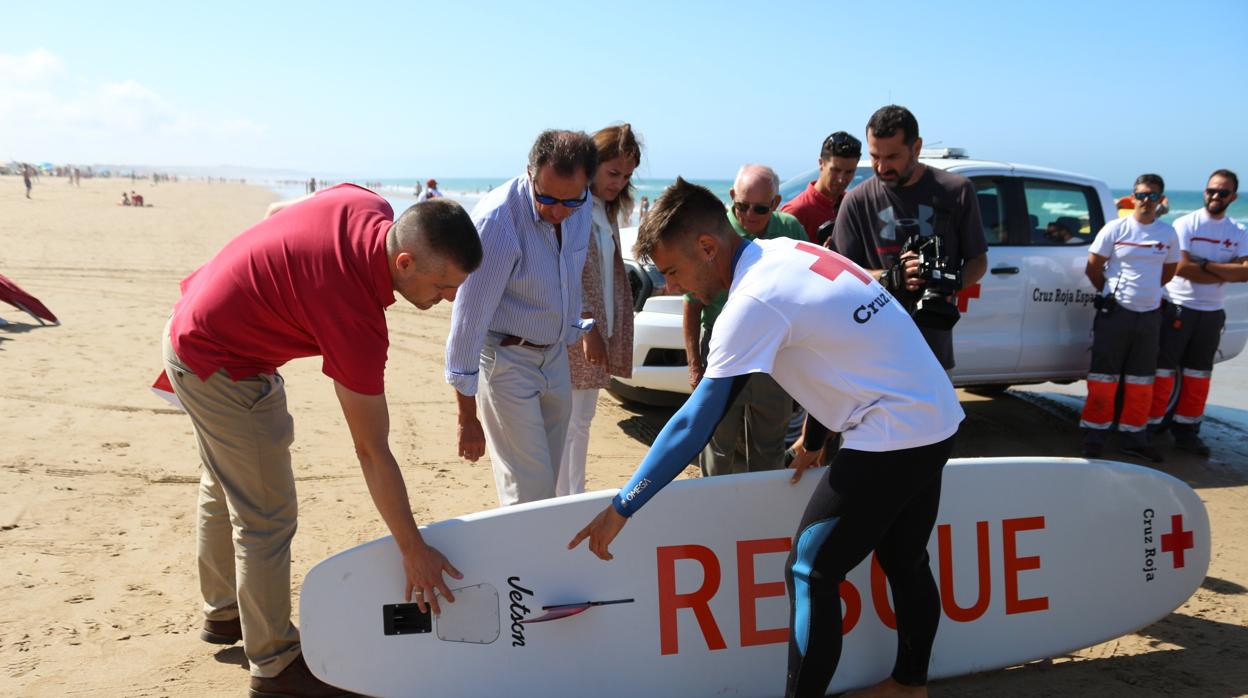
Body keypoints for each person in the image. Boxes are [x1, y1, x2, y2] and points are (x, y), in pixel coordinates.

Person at [570, 178, 963, 698]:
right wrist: (817, 437)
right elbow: (841, 346)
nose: (671, 286)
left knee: (810, 571)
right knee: (905, 557)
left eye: (673, 271)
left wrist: (623, 506)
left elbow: (695, 423)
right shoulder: (785, 251)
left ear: (707, 247)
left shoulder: (751, 301)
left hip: (891, 432)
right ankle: (911, 686)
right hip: (936, 413)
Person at [163, 185, 482, 697]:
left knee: (226, 483)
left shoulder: (367, 204)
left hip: (192, 325)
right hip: (221, 364)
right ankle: (274, 666)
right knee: (265, 515)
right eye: (443, 285)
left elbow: (273, 215)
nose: (448, 299)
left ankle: (225, 614)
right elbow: (371, 450)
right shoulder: (355, 316)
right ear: (404, 262)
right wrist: (413, 548)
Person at [445, 129, 597, 505]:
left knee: (551, 487)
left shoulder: (584, 204)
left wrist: (578, 329)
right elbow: (468, 321)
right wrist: (466, 416)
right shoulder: (497, 222)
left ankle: (534, 560)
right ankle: (524, 564)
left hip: (556, 359)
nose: (557, 211)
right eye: (545, 197)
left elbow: (570, 277)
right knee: (528, 494)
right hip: (507, 362)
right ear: (529, 172)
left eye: (569, 201)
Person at [830, 105, 989, 371]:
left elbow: (978, 261)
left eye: (892, 156)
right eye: (874, 156)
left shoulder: (956, 191)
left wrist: (944, 282)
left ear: (916, 147)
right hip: (871, 354)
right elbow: (841, 275)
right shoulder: (857, 201)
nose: (881, 167)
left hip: (933, 354)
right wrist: (892, 277)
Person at [684, 164, 806, 476]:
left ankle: (763, 520)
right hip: (723, 349)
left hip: (774, 353)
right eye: (741, 206)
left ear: (776, 203)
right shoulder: (712, 232)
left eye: (760, 208)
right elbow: (691, 305)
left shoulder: (790, 230)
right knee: (717, 444)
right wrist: (695, 366)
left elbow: (806, 292)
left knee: (769, 446)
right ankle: (715, 516)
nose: (749, 215)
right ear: (731, 198)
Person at [560, 124, 642, 496]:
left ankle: (569, 495)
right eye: (613, 173)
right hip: (577, 330)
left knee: (581, 421)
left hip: (597, 327)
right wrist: (588, 326)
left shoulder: (605, 212)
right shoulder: (574, 208)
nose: (620, 183)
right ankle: (563, 499)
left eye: (626, 176)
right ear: (591, 165)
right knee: (570, 422)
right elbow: (567, 274)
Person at [1080, 174, 1179, 461]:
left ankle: (1134, 436)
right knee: (1103, 377)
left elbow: (1168, 272)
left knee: (1141, 381)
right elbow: (1093, 268)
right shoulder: (1116, 228)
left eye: (1152, 196)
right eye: (1141, 195)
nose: (1146, 201)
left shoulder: (1167, 233)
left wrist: (1146, 295)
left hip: (1149, 316)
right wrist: (1111, 292)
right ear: (1132, 197)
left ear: (1161, 200)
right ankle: (1095, 434)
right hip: (1115, 314)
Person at [1148, 169, 1247, 456]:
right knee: (1164, 371)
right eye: (1211, 190)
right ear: (1204, 191)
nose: (1215, 196)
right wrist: (1222, 269)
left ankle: (1187, 430)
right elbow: (1182, 268)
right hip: (1180, 307)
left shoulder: (1238, 231)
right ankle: (1151, 426)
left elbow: (1244, 274)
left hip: (1212, 313)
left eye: (1223, 192)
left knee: (1199, 374)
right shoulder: (1185, 224)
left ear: (1233, 197)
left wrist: (1203, 265)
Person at [782, 131, 861, 245]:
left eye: (849, 172)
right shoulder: (795, 212)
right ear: (821, 163)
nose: (841, 179)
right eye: (836, 170)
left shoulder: (854, 206)